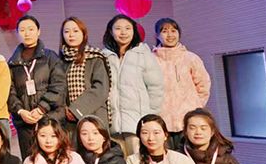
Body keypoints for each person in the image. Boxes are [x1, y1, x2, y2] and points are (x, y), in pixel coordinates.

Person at [103, 15, 164, 156]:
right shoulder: (104, 56)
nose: (123, 32)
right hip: (112, 126)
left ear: (134, 31)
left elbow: (156, 88)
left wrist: (150, 117)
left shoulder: (143, 54)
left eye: (127, 28)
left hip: (137, 124)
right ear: (111, 31)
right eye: (118, 28)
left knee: (138, 163)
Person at [7, 15, 67, 158]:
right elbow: (10, 91)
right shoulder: (13, 63)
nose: (26, 33)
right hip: (25, 124)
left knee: (55, 161)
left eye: (31, 29)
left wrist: (41, 109)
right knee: (31, 162)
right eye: (22, 30)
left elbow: (59, 86)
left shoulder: (50, 57)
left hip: (51, 119)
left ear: (38, 31)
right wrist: (20, 111)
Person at [153, 18, 211, 148]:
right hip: (161, 120)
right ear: (157, 35)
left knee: (189, 155)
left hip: (188, 120)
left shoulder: (191, 58)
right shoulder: (151, 60)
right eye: (164, 31)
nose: (170, 35)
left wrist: (195, 108)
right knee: (166, 157)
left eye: (173, 31)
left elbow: (203, 85)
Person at [59, 17, 111, 134]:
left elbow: (101, 89)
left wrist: (76, 109)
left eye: (75, 31)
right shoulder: (61, 61)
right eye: (66, 31)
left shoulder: (95, 57)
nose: (71, 35)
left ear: (83, 33)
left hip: (94, 113)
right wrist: (65, 109)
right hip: (69, 120)